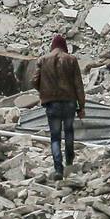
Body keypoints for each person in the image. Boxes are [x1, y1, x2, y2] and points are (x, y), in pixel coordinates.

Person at [34, 33, 85, 179]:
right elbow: (78, 85)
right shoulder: (71, 60)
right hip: (69, 103)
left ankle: (58, 169)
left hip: (52, 104)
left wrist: (44, 91)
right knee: (69, 132)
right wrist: (81, 107)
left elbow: (34, 80)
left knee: (55, 137)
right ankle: (69, 162)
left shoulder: (43, 60)